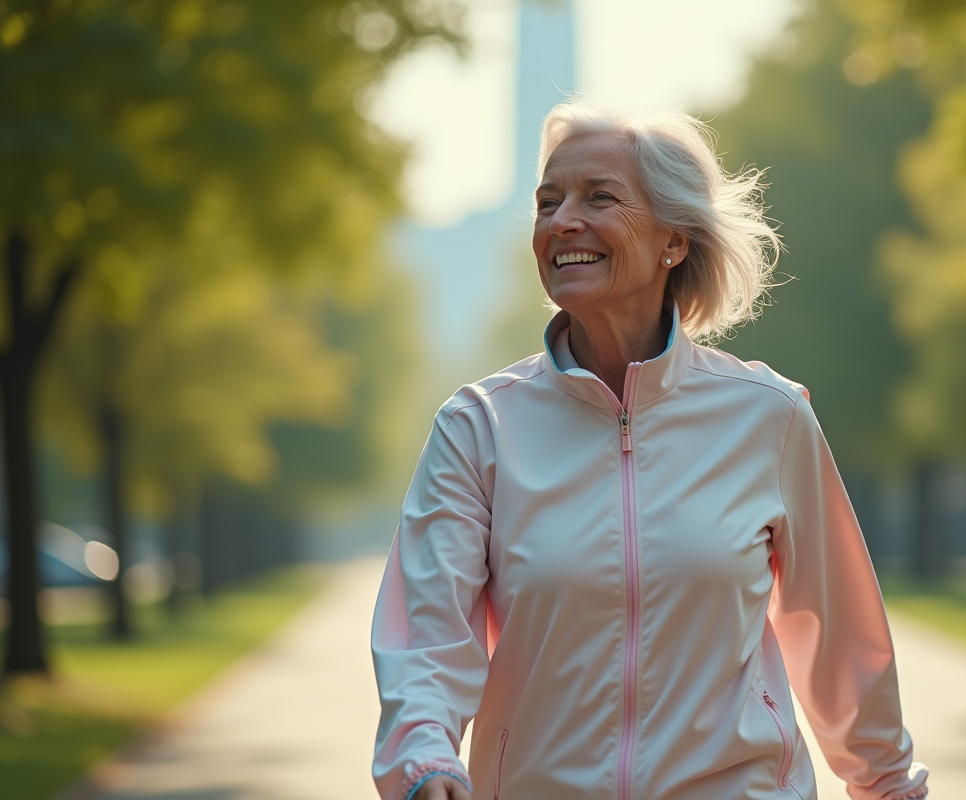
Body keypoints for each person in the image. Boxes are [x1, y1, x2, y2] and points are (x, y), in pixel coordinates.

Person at [371, 99, 930, 800]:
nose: (562, 220)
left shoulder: (770, 417)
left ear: (674, 240)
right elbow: (427, 628)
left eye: (599, 197)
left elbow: (839, 633)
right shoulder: (478, 426)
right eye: (548, 202)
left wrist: (887, 784)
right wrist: (425, 759)